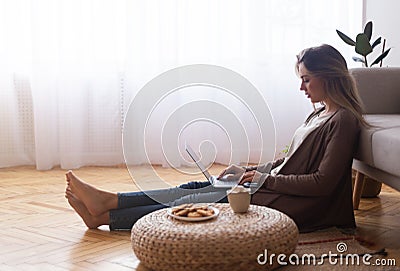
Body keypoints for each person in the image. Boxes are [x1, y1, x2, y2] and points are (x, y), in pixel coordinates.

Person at [65, 44, 366, 233]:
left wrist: (262, 181)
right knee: (195, 187)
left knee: (196, 199)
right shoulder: (319, 114)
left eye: (306, 79)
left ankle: (105, 216)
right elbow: (288, 162)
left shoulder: (343, 120)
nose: (302, 88)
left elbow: (322, 182)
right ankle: (109, 203)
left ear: (328, 75)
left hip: (292, 204)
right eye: (301, 79)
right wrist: (248, 170)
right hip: (274, 188)